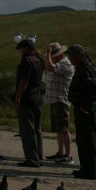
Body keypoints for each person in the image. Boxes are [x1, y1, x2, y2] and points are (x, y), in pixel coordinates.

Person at [65, 44, 96, 180]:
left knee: (87, 140)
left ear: (79, 56)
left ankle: (90, 171)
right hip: (81, 108)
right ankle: (85, 168)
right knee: (81, 140)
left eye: (71, 55)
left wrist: (85, 105)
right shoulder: (80, 67)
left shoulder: (86, 68)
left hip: (86, 110)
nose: (69, 58)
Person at [12, 38, 44, 167]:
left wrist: (17, 97)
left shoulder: (26, 60)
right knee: (37, 129)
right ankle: (39, 156)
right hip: (38, 97)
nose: (20, 52)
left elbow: (24, 81)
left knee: (27, 130)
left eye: (20, 49)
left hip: (27, 99)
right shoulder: (39, 59)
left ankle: (32, 159)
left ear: (25, 48)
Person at [44, 42, 74, 163]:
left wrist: (48, 54)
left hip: (61, 100)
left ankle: (68, 155)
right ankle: (60, 152)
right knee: (59, 129)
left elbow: (50, 67)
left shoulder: (65, 63)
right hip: (55, 100)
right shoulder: (60, 63)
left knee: (64, 129)